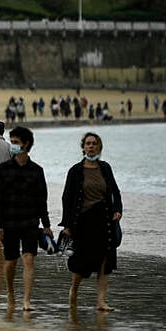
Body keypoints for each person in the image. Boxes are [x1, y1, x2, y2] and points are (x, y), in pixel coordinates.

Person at [60, 132, 123, 311]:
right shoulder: (75, 171)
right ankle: (73, 292)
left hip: (105, 221)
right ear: (83, 147)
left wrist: (118, 210)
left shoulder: (105, 168)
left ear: (99, 147)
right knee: (81, 264)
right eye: (88, 143)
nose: (91, 146)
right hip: (83, 223)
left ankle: (101, 302)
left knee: (105, 262)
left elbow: (115, 193)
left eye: (94, 143)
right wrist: (67, 226)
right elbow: (67, 198)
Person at [0, 126, 52, 311]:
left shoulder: (37, 170)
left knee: (29, 258)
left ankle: (27, 300)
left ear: (26, 144)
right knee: (11, 261)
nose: (13, 146)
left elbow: (42, 199)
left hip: (30, 222)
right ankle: (11, 293)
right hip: (9, 222)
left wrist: (47, 225)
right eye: (12, 142)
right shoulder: (3, 169)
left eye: (16, 142)